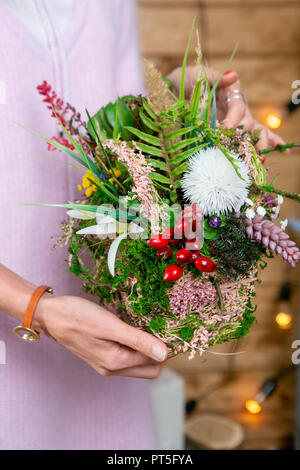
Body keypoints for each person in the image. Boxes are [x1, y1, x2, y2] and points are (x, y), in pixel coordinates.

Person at [0, 0, 286, 450]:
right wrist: (36, 309)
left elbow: (124, 117)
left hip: (115, 369)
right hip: (10, 373)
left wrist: (191, 93)